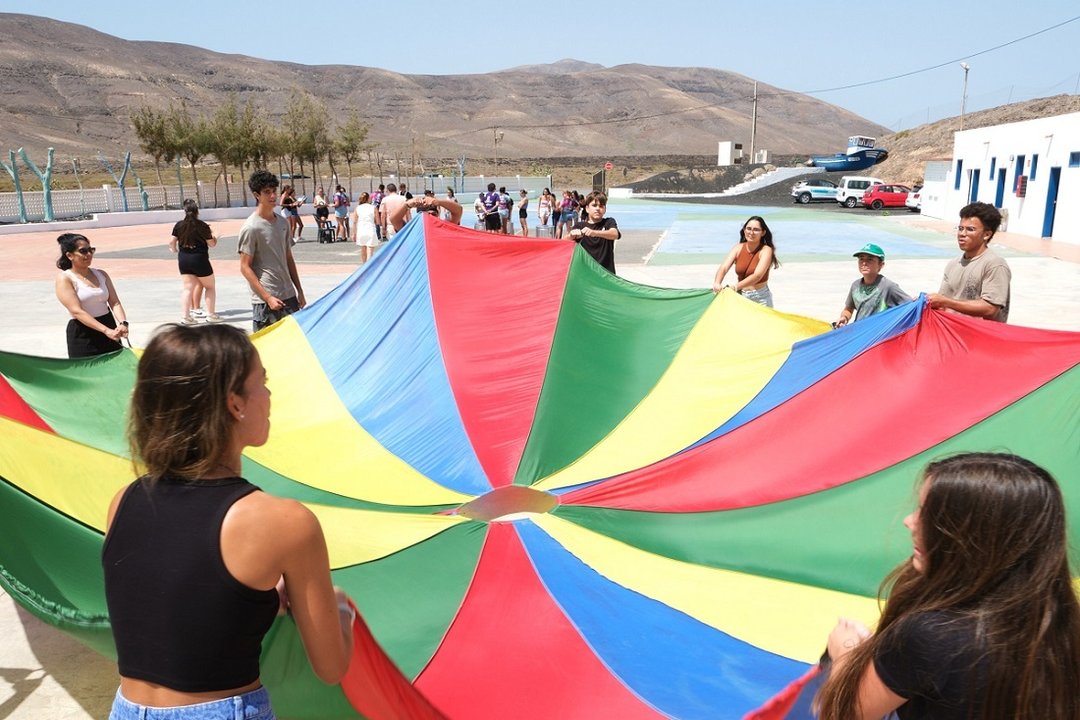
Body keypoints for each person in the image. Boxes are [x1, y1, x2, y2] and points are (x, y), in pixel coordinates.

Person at [103, 323, 354, 720]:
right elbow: (331, 666)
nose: (269, 397)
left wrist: (250, 604)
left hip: (127, 709)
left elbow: (172, 607)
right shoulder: (284, 521)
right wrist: (340, 609)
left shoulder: (124, 501)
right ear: (235, 403)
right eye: (263, 383)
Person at [815, 452, 1080, 720]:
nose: (910, 521)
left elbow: (843, 714)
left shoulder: (933, 634)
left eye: (927, 514)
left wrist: (845, 651)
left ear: (972, 536)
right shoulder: (1061, 623)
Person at [238, 170, 306, 332]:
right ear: (256, 195)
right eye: (267, 192)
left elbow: (288, 258)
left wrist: (299, 291)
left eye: (274, 191)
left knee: (293, 348)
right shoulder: (251, 227)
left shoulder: (283, 223)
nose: (273, 196)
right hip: (266, 301)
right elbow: (244, 267)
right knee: (267, 354)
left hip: (288, 296)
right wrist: (267, 297)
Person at [927, 202, 1011, 322]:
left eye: (970, 229)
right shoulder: (953, 264)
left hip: (980, 338)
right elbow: (943, 305)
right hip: (953, 335)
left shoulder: (995, 265)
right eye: (960, 228)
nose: (962, 234)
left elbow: (990, 309)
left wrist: (945, 301)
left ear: (987, 234)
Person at [54, 232, 129, 357]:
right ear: (69, 255)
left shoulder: (101, 274)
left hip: (109, 326)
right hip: (83, 332)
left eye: (91, 250)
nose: (89, 254)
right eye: (83, 251)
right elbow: (77, 311)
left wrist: (122, 323)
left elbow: (114, 302)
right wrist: (105, 331)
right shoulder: (65, 278)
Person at [834, 243, 913, 326]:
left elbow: (910, 305)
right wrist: (844, 317)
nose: (864, 263)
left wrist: (920, 300)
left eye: (870, 260)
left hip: (878, 334)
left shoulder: (887, 286)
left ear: (881, 265)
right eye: (861, 259)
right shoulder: (855, 285)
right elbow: (849, 308)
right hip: (858, 331)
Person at [169, 199, 221, 324]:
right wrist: (216, 237)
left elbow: (171, 242)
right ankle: (211, 314)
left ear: (185, 211)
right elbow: (212, 244)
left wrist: (174, 250)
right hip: (199, 258)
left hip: (183, 259)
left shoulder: (179, 225)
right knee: (210, 286)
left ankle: (186, 317)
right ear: (197, 211)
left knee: (187, 288)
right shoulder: (202, 225)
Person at [711, 215, 780, 307]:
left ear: (763, 233)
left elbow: (757, 276)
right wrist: (717, 283)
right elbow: (723, 268)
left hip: (760, 298)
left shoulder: (766, 250)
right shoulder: (738, 248)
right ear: (744, 230)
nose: (751, 232)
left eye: (756, 230)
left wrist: (735, 287)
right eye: (748, 228)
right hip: (741, 296)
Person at [568, 191, 621, 273]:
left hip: (606, 274)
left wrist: (594, 233)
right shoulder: (580, 226)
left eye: (601, 206)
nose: (597, 208)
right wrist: (571, 235)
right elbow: (564, 242)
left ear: (605, 209)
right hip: (586, 274)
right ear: (587, 208)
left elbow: (614, 234)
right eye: (594, 205)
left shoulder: (608, 222)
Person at [351, 191, 378, 263]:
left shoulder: (358, 208)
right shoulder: (373, 208)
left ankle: (363, 265)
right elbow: (377, 221)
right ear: (368, 199)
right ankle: (368, 268)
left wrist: (353, 233)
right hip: (370, 230)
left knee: (363, 250)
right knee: (370, 252)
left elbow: (354, 222)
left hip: (361, 231)